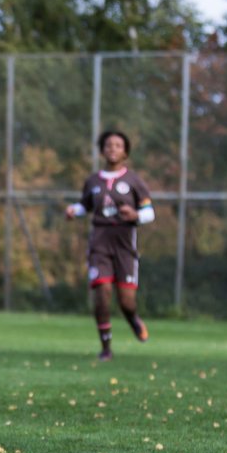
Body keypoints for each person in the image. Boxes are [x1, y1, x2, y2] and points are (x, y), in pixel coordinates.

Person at [65, 130, 154, 361]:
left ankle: (133, 318)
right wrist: (74, 210)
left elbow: (149, 213)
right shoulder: (93, 181)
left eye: (118, 145)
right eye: (108, 145)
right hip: (100, 244)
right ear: (102, 150)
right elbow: (85, 205)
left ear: (125, 151)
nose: (113, 148)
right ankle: (106, 347)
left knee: (126, 301)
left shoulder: (133, 180)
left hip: (125, 246)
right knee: (102, 293)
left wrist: (134, 214)